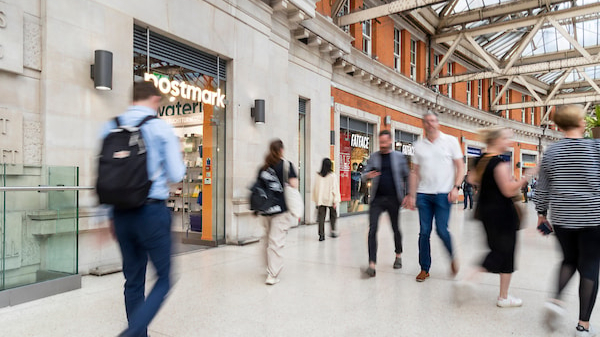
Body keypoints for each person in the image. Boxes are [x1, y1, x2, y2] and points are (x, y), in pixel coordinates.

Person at [100, 81, 186, 337]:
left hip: (120, 214)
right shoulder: (160, 128)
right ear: (155, 100)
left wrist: (106, 216)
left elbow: (103, 175)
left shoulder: (110, 126)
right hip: (151, 212)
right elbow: (176, 174)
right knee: (164, 278)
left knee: (133, 280)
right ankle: (131, 333)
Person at [534, 105, 600, 336]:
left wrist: (541, 214)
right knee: (590, 267)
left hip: (562, 218)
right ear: (582, 123)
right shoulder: (596, 148)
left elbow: (542, 189)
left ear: (559, 126)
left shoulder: (551, 152)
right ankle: (583, 326)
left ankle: (555, 300)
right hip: (592, 217)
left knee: (568, 260)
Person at [456, 127, 529, 308]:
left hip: (485, 213)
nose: (508, 143)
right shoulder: (498, 163)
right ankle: (474, 279)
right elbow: (508, 190)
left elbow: (472, 179)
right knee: (504, 253)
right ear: (496, 140)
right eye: (506, 139)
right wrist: (523, 179)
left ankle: (502, 295)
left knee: (497, 249)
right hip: (503, 214)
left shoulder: (479, 160)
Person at [405, 111, 464, 282]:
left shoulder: (450, 141)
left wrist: (456, 187)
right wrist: (412, 194)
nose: (430, 124)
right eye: (427, 121)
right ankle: (424, 268)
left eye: (433, 121)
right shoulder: (419, 146)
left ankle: (452, 256)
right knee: (424, 232)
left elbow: (460, 167)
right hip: (423, 194)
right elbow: (415, 172)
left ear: (438, 123)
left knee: (442, 230)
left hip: (443, 194)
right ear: (423, 124)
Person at [363, 130, 410, 277]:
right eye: (380, 142)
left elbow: (407, 176)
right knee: (372, 230)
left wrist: (408, 194)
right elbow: (363, 175)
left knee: (395, 228)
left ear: (390, 141)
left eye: (385, 142)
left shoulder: (399, 157)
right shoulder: (374, 157)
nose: (382, 145)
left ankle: (398, 255)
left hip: (393, 198)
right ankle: (372, 264)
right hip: (377, 199)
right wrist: (368, 176)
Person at [258, 139, 298, 285]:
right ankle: (272, 274)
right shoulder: (286, 165)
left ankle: (268, 266)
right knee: (276, 242)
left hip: (266, 209)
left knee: (268, 240)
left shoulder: (264, 167)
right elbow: (294, 185)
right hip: (280, 210)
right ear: (281, 150)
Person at [312, 158, 341, 241]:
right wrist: (335, 200)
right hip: (330, 199)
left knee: (321, 217)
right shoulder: (332, 176)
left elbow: (316, 188)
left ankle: (321, 235)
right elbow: (334, 188)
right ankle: (333, 231)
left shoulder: (318, 176)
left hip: (321, 199)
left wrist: (317, 200)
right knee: (333, 215)